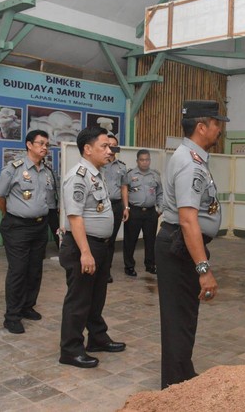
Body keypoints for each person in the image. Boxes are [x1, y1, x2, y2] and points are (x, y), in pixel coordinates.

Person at [155, 100, 226, 388]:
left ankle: (182, 376)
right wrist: (204, 269)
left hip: (181, 244)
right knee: (178, 318)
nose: (220, 129)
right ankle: (174, 387)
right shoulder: (190, 163)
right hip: (179, 246)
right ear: (201, 127)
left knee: (184, 317)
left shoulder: (192, 157)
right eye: (216, 123)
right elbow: (187, 220)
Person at [59, 126, 126, 368]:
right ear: (87, 149)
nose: (110, 151)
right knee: (79, 300)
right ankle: (70, 350)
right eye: (104, 146)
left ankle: (97, 337)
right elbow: (75, 217)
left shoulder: (96, 174)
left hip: (100, 246)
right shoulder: (78, 175)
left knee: (96, 297)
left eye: (110, 147)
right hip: (83, 247)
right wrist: (85, 253)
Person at [0, 130, 52, 334]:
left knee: (35, 269)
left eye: (47, 144)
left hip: (39, 226)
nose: (45, 147)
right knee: (18, 270)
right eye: (41, 143)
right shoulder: (13, 168)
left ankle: (28, 306)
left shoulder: (46, 171)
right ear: (29, 145)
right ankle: (12, 317)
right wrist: (12, 214)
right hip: (17, 226)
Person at [123, 149, 163, 276]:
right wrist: (126, 208)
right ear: (137, 161)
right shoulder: (130, 174)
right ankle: (129, 266)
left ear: (150, 160)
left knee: (151, 240)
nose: (145, 162)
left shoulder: (155, 175)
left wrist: (160, 208)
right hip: (134, 211)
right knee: (130, 240)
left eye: (147, 159)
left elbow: (160, 193)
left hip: (151, 213)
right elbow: (124, 191)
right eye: (142, 160)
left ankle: (150, 265)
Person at [104, 133, 130, 283]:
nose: (111, 148)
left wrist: (126, 207)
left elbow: (124, 187)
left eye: (114, 145)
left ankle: (106, 270)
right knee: (100, 239)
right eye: (108, 145)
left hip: (116, 206)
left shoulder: (122, 166)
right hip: (101, 206)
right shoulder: (99, 164)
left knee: (111, 241)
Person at [44, 160, 60, 251]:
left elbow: (57, 187)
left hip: (51, 206)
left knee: (56, 228)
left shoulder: (50, 171)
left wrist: (59, 204)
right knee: (41, 231)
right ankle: (40, 252)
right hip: (39, 207)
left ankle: (61, 247)